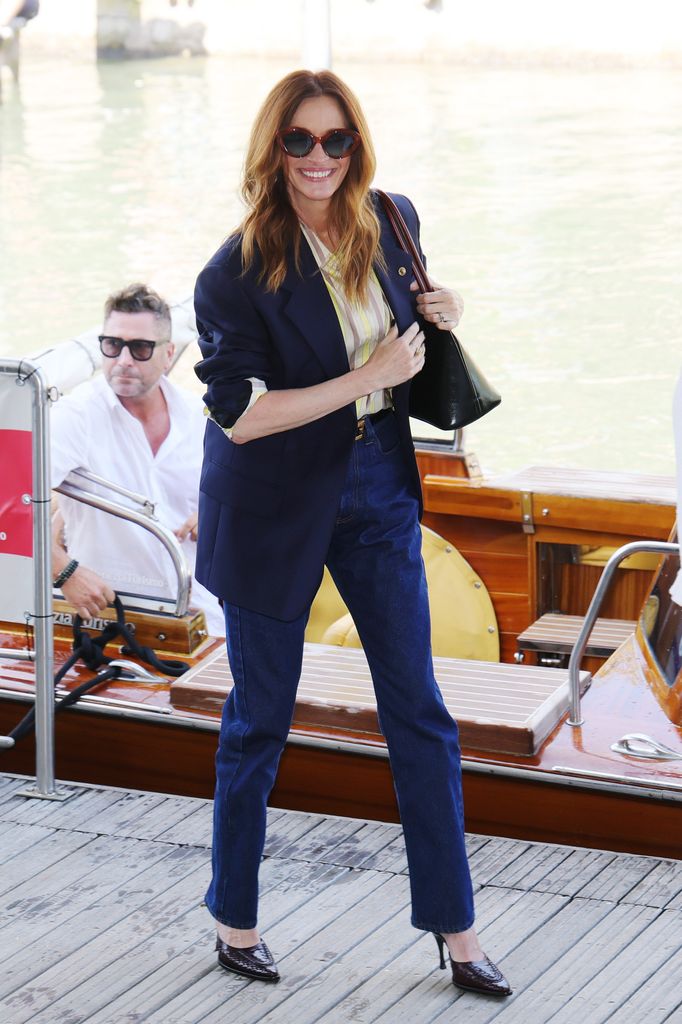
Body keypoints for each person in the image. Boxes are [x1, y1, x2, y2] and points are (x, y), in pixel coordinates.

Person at [193, 70, 511, 996]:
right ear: (273, 150)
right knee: (259, 719)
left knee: (420, 711)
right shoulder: (236, 269)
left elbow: (409, 337)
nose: (320, 159)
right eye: (300, 142)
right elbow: (241, 416)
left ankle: (457, 933)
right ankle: (234, 918)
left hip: (377, 483)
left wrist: (440, 309)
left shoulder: (393, 218)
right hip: (273, 497)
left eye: (335, 141)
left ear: (356, 145)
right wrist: (361, 374)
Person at [51, 283, 224, 638]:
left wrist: (218, 514)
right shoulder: (73, 416)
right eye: (113, 345)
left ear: (169, 353)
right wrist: (63, 571)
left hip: (203, 615)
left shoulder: (201, 417)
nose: (124, 361)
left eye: (141, 348)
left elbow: (247, 498)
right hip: (109, 618)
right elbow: (9, 508)